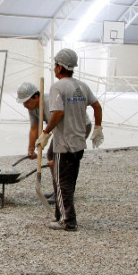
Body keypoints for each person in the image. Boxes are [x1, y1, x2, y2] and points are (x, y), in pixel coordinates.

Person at [36, 48, 103, 231]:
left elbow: (58, 113)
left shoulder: (57, 87)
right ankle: (60, 216)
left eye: (55, 65)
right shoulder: (81, 86)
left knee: (60, 183)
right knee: (68, 183)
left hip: (63, 145)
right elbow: (97, 106)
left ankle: (68, 221)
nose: (54, 68)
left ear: (59, 67)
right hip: (79, 143)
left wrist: (46, 132)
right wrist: (97, 128)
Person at [17, 81, 93, 205]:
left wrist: (49, 141)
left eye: (26, 101)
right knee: (53, 156)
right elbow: (34, 128)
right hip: (63, 129)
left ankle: (63, 193)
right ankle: (59, 190)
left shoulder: (50, 103)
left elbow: (62, 127)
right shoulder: (33, 108)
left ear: (36, 97)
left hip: (78, 127)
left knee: (64, 158)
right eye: (23, 102)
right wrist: (31, 149)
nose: (25, 105)